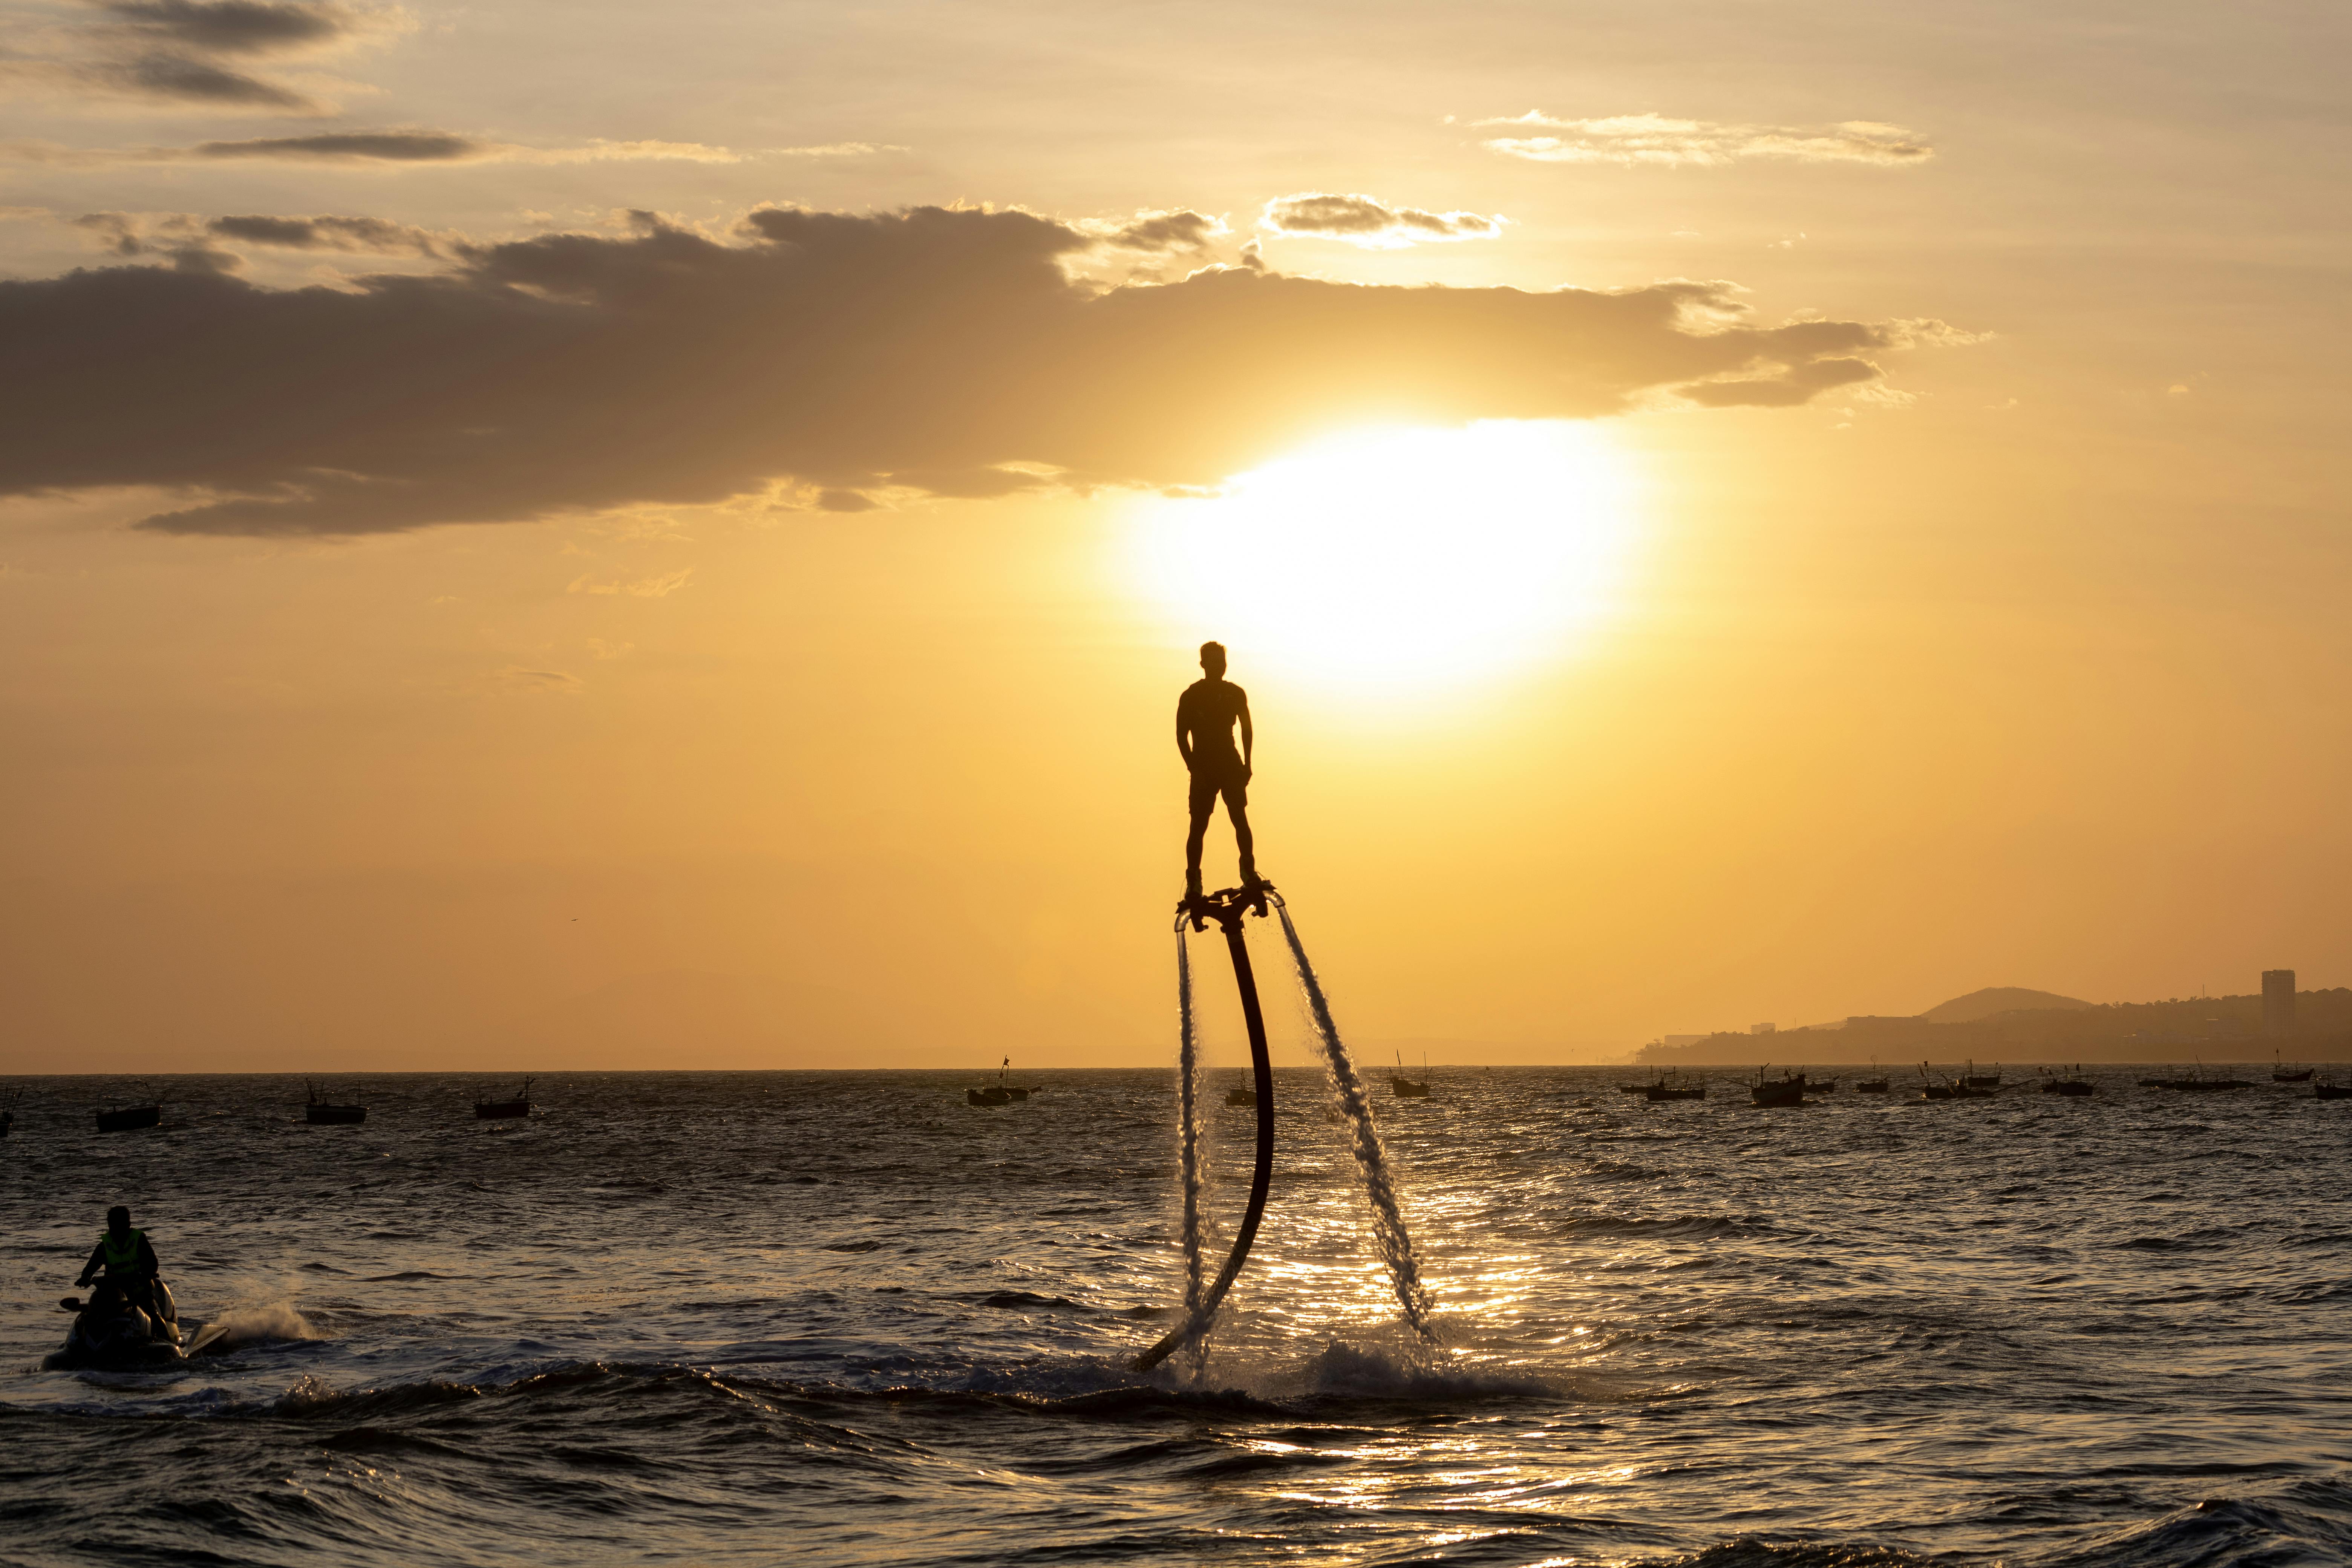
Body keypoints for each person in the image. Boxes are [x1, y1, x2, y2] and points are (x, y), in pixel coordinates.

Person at [1177, 641, 1260, 902]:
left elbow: (1247, 729)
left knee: (1240, 818)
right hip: (1203, 765)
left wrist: (1247, 764)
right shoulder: (1191, 696)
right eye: (1213, 662)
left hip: (1230, 762)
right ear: (1203, 664)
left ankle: (1249, 871)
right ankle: (1194, 883)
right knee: (1198, 826)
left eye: (1222, 662)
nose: (1218, 667)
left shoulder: (1235, 693)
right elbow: (1181, 736)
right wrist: (1193, 768)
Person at [76, 1205, 166, 1321]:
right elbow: (91, 1267)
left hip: (139, 1294)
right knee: (91, 1317)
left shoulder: (139, 1240)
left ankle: (168, 1338)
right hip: (113, 1296)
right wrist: (85, 1278)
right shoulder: (105, 1246)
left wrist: (146, 1275)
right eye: (113, 1226)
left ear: (128, 1225)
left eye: (120, 1226)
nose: (116, 1230)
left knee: (154, 1318)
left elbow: (153, 1263)